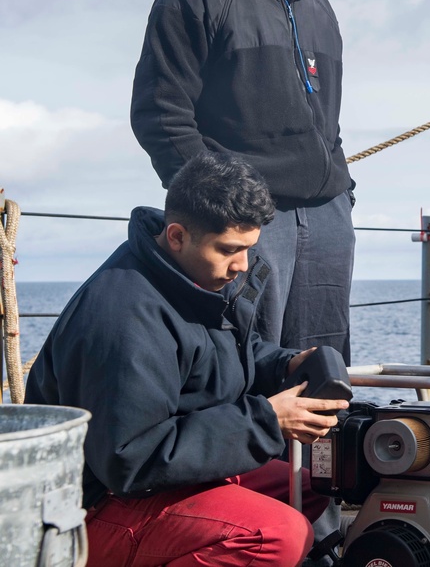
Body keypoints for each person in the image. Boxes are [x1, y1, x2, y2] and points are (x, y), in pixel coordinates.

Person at [25, 153, 347, 566]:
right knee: (274, 535)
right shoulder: (124, 317)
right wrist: (268, 419)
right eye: (229, 249)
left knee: (314, 484)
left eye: (250, 248)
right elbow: (130, 460)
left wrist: (282, 365)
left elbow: (214, 355)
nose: (242, 265)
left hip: (152, 477)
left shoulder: (183, 277)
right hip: (90, 508)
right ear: (176, 235)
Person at [130, 0, 355, 360]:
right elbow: (160, 113)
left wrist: (343, 196)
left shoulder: (320, 8)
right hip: (246, 222)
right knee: (239, 364)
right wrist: (217, 211)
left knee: (324, 368)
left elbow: (329, 122)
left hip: (326, 219)